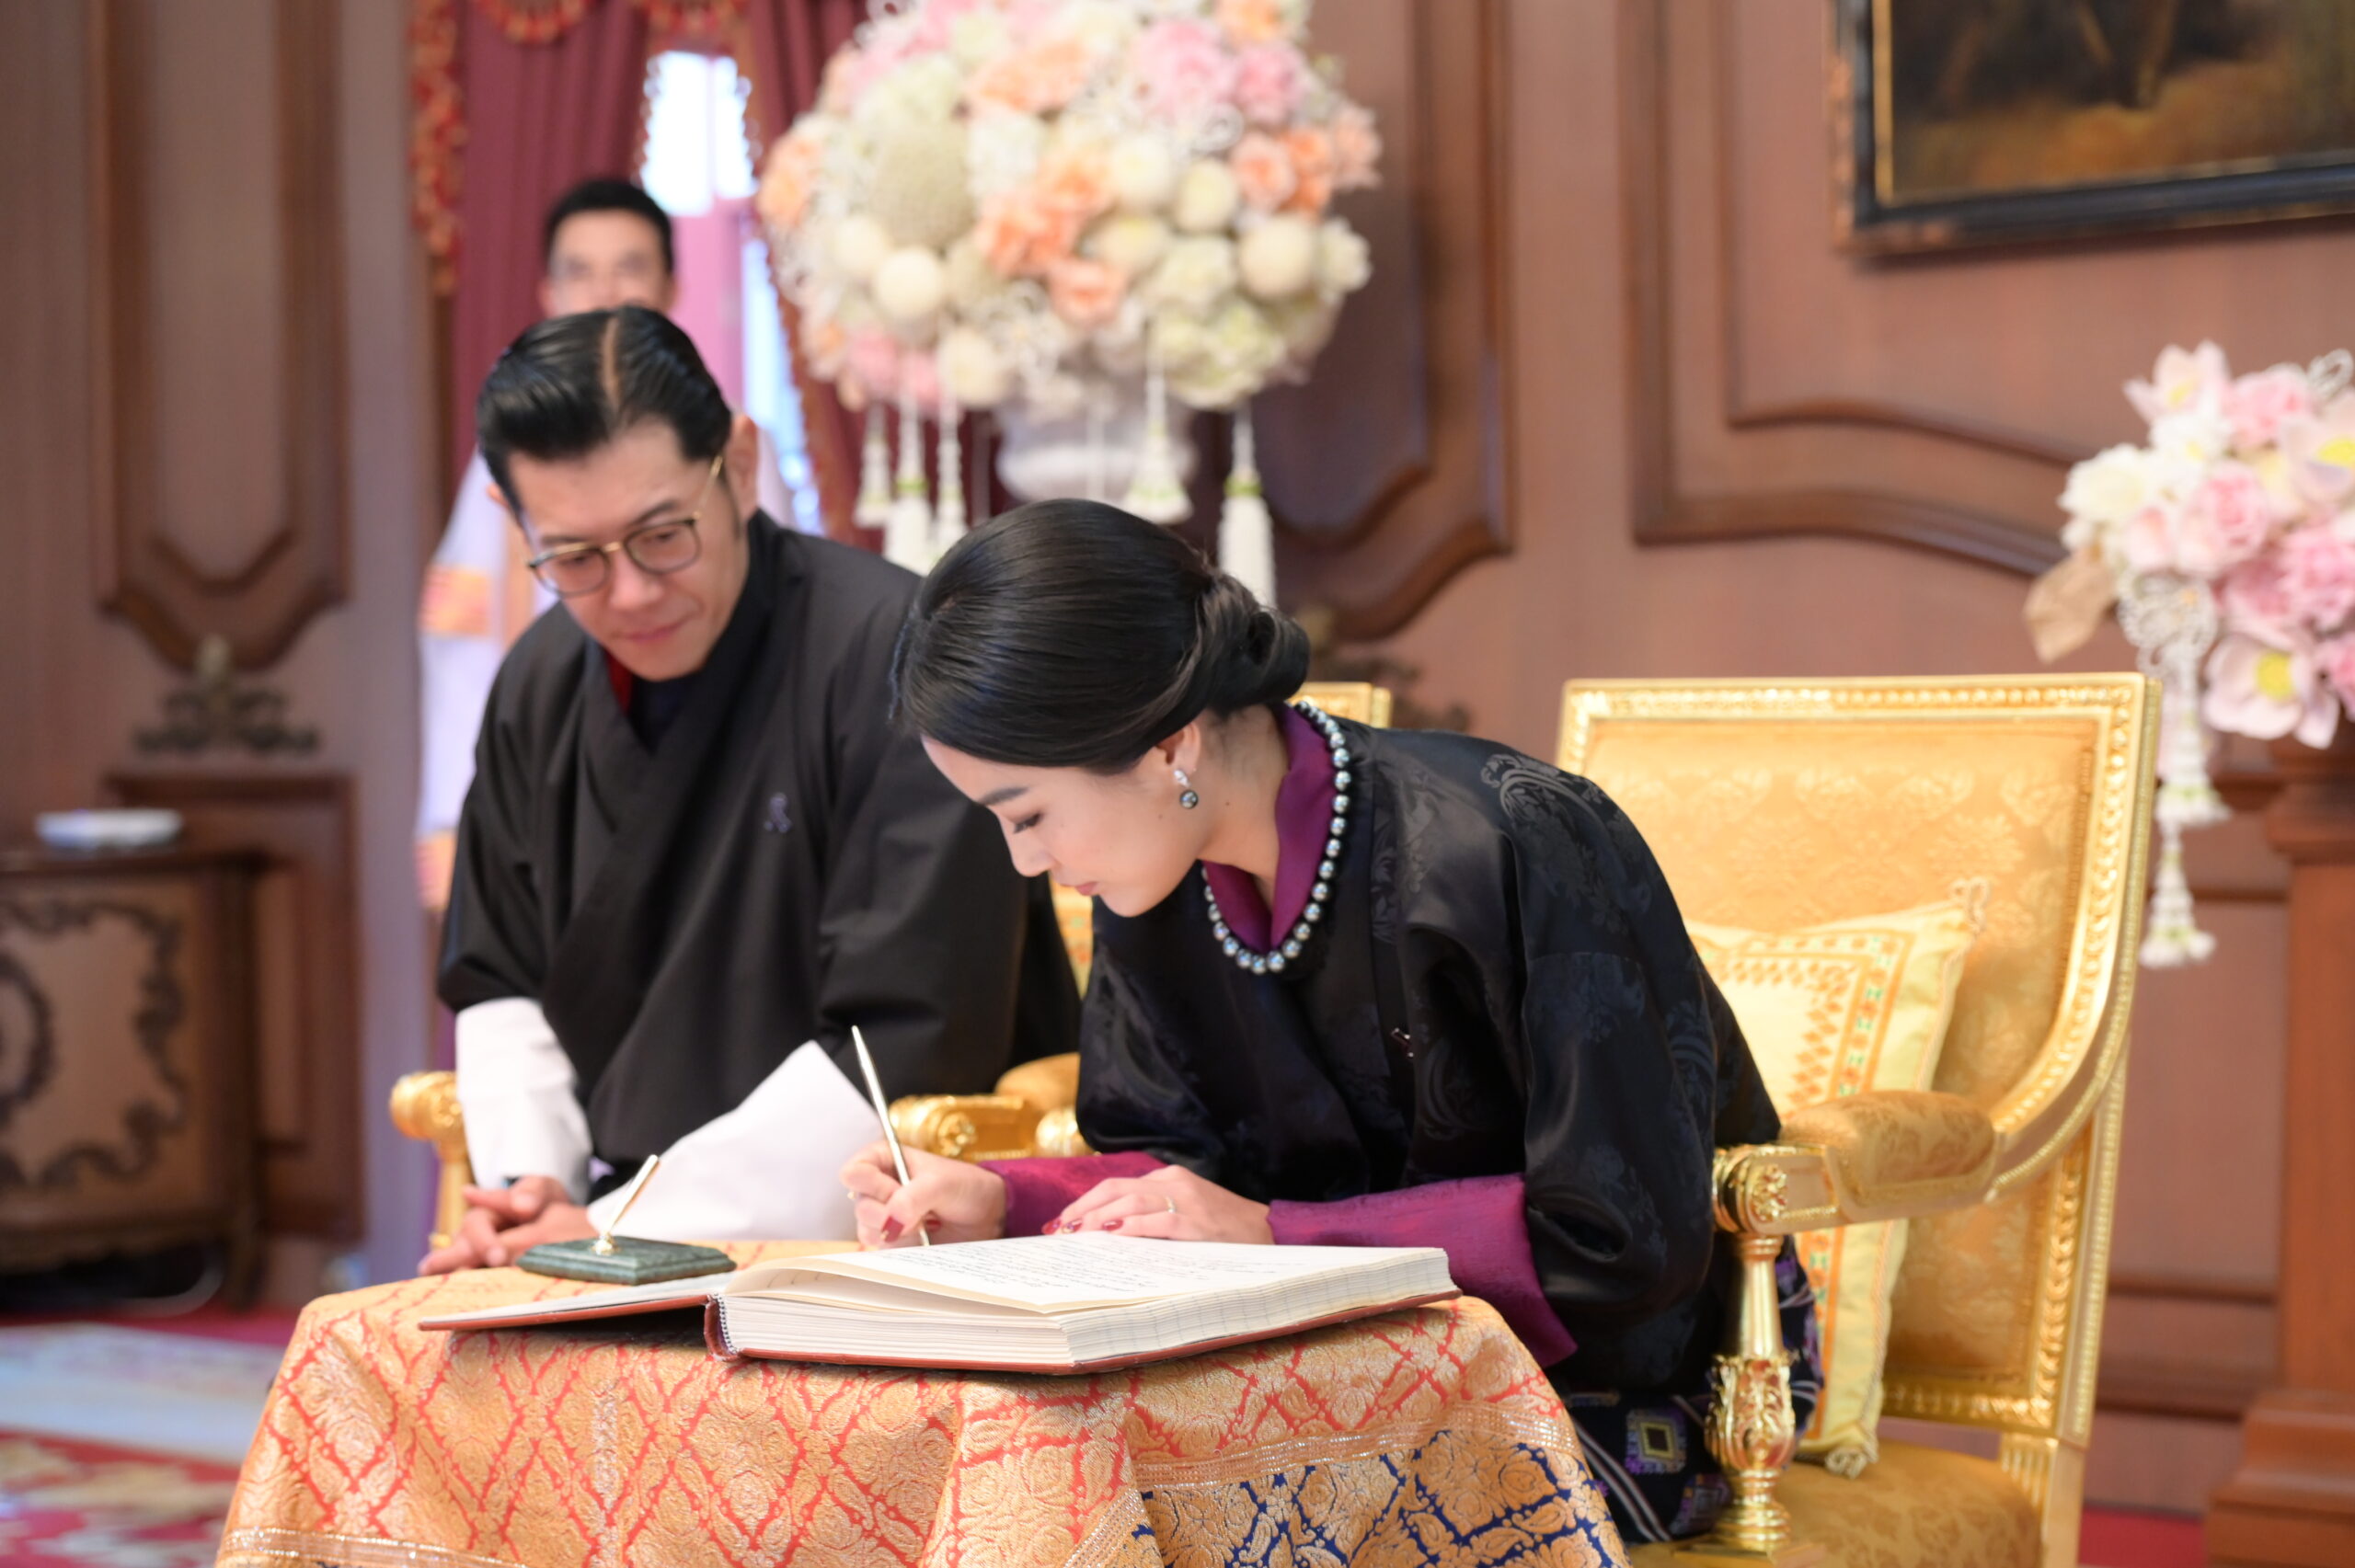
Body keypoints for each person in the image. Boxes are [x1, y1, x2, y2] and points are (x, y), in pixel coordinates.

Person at [843, 500, 1820, 1545]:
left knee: (1180, 1507)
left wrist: (1277, 1234)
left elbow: (1624, 1236)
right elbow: (1180, 1178)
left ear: (1167, 743)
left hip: (1634, 1391)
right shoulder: (1155, 881)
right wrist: (1004, 1200)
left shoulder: (1512, 836)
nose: (1024, 863)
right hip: (1331, 1374)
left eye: (1025, 812)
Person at [426, 307, 1076, 1274]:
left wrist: (634, 1225)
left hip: (869, 1235)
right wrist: (537, 1195)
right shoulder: (540, 676)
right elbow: (500, 972)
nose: (632, 593)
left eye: (661, 534)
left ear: (736, 458)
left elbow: (908, 1033)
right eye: (574, 558)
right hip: (595, 1226)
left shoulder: (898, 653)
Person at [417, 177, 810, 912]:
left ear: (670, 284)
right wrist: (457, 808)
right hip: (557, 773)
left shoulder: (721, 438)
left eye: (628, 268)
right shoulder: (505, 461)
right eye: (580, 271)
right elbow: (463, 643)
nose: (604, 292)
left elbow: (793, 612)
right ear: (547, 292)